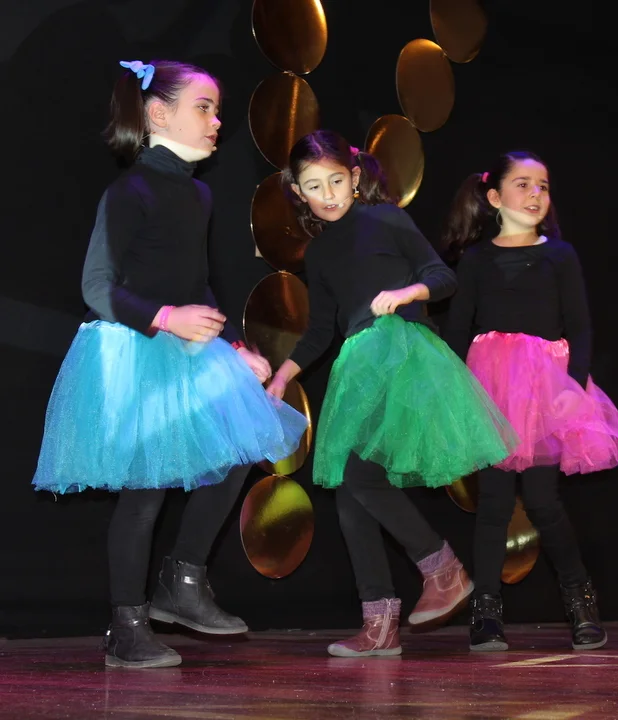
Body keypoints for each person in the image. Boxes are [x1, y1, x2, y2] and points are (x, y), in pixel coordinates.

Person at [32, 59, 308, 668]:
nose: (216, 121)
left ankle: (182, 580)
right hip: (136, 349)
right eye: (203, 108)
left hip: (185, 347)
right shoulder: (129, 191)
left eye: (217, 110)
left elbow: (196, 281)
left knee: (235, 453)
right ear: (158, 114)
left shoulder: (199, 193)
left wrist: (230, 342)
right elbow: (97, 285)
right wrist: (165, 317)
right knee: (146, 491)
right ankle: (126, 625)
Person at [266, 130, 518, 657]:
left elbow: (441, 277)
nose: (328, 194)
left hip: (401, 355)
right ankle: (379, 622)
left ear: (355, 177)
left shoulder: (386, 219)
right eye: (314, 186)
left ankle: (442, 568)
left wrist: (406, 293)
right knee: (351, 488)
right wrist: (284, 374)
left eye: (337, 180)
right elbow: (320, 328)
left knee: (357, 476)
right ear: (298, 192)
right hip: (359, 361)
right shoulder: (320, 251)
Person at [443, 151, 618, 651]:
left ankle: (581, 603)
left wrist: (572, 389)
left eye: (543, 186)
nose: (535, 194)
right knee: (493, 504)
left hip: (546, 389)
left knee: (544, 501)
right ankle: (486, 613)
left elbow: (581, 327)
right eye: (523, 184)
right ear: (494, 197)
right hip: (491, 390)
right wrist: (455, 394)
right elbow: (458, 330)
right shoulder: (476, 259)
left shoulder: (560, 256)